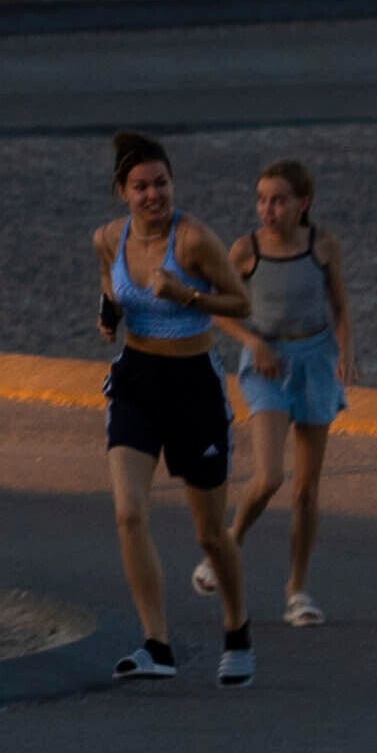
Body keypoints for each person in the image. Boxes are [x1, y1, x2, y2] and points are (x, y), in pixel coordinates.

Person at [90, 133, 256, 687]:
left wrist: (188, 297)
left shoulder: (193, 241)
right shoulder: (108, 238)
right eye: (141, 186)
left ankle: (237, 631)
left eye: (161, 183)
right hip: (137, 381)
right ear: (122, 192)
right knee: (128, 513)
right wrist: (109, 314)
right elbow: (109, 289)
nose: (153, 194)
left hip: (193, 388)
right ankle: (156, 645)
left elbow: (241, 302)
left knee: (210, 533)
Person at [208, 159, 353, 629]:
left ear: (302, 203)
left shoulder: (322, 246)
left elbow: (340, 307)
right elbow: (216, 307)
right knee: (269, 475)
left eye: (278, 200)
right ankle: (229, 541)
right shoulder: (245, 250)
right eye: (262, 199)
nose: (267, 209)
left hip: (314, 362)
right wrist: (252, 341)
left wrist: (345, 352)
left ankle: (297, 590)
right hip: (268, 365)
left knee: (307, 489)